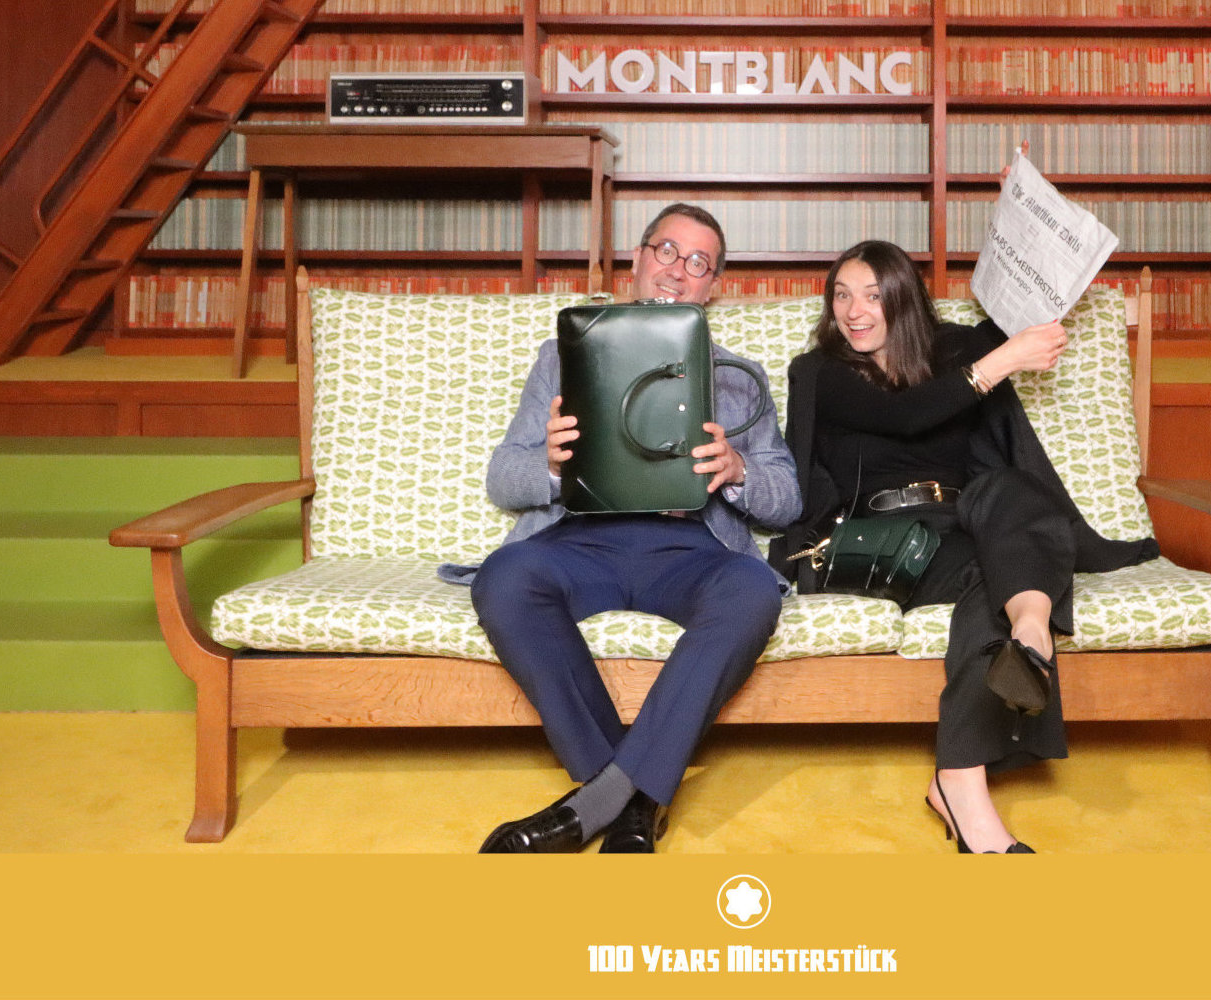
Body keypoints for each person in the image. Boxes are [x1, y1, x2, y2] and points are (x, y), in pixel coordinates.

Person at [771, 240, 1158, 853]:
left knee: (1017, 492)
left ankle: (1028, 634)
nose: (854, 311)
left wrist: (1030, 232)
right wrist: (1000, 363)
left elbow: (1025, 309)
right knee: (996, 570)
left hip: (961, 520)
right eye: (841, 296)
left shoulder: (951, 349)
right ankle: (962, 782)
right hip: (876, 537)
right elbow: (905, 416)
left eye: (872, 296)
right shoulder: (820, 371)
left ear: (904, 299)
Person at [450, 203, 800, 853]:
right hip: (578, 542)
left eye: (698, 262)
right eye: (666, 251)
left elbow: (787, 500)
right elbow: (502, 477)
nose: (678, 270)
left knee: (753, 591)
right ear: (636, 260)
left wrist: (739, 470)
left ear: (713, 286)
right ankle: (635, 803)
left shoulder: (739, 379)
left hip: (690, 550)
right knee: (504, 578)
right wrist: (551, 464)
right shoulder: (561, 357)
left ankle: (593, 804)